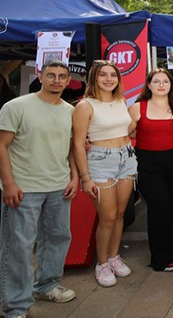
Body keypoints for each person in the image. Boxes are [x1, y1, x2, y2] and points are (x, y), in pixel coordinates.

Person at [0, 60, 77, 318]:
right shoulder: (16, 107)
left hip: (59, 186)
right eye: (51, 75)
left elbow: (70, 147)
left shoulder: (69, 110)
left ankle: (46, 285)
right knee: (18, 247)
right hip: (24, 188)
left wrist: (75, 176)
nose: (57, 80)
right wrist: (8, 183)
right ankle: (16, 306)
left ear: (68, 81)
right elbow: (1, 146)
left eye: (62, 76)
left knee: (57, 239)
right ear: (40, 77)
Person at [72, 60, 137, 287]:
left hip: (126, 157)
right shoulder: (85, 105)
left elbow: (127, 128)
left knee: (119, 213)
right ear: (94, 78)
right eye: (103, 75)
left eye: (113, 75)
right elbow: (78, 144)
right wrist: (85, 177)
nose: (109, 79)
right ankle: (101, 264)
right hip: (100, 160)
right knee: (107, 216)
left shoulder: (121, 101)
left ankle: (113, 256)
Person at [128, 68, 173, 272]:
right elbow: (121, 134)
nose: (161, 85)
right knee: (160, 207)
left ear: (172, 85)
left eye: (166, 82)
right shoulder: (137, 108)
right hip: (148, 165)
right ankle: (163, 258)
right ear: (149, 84)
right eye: (157, 81)